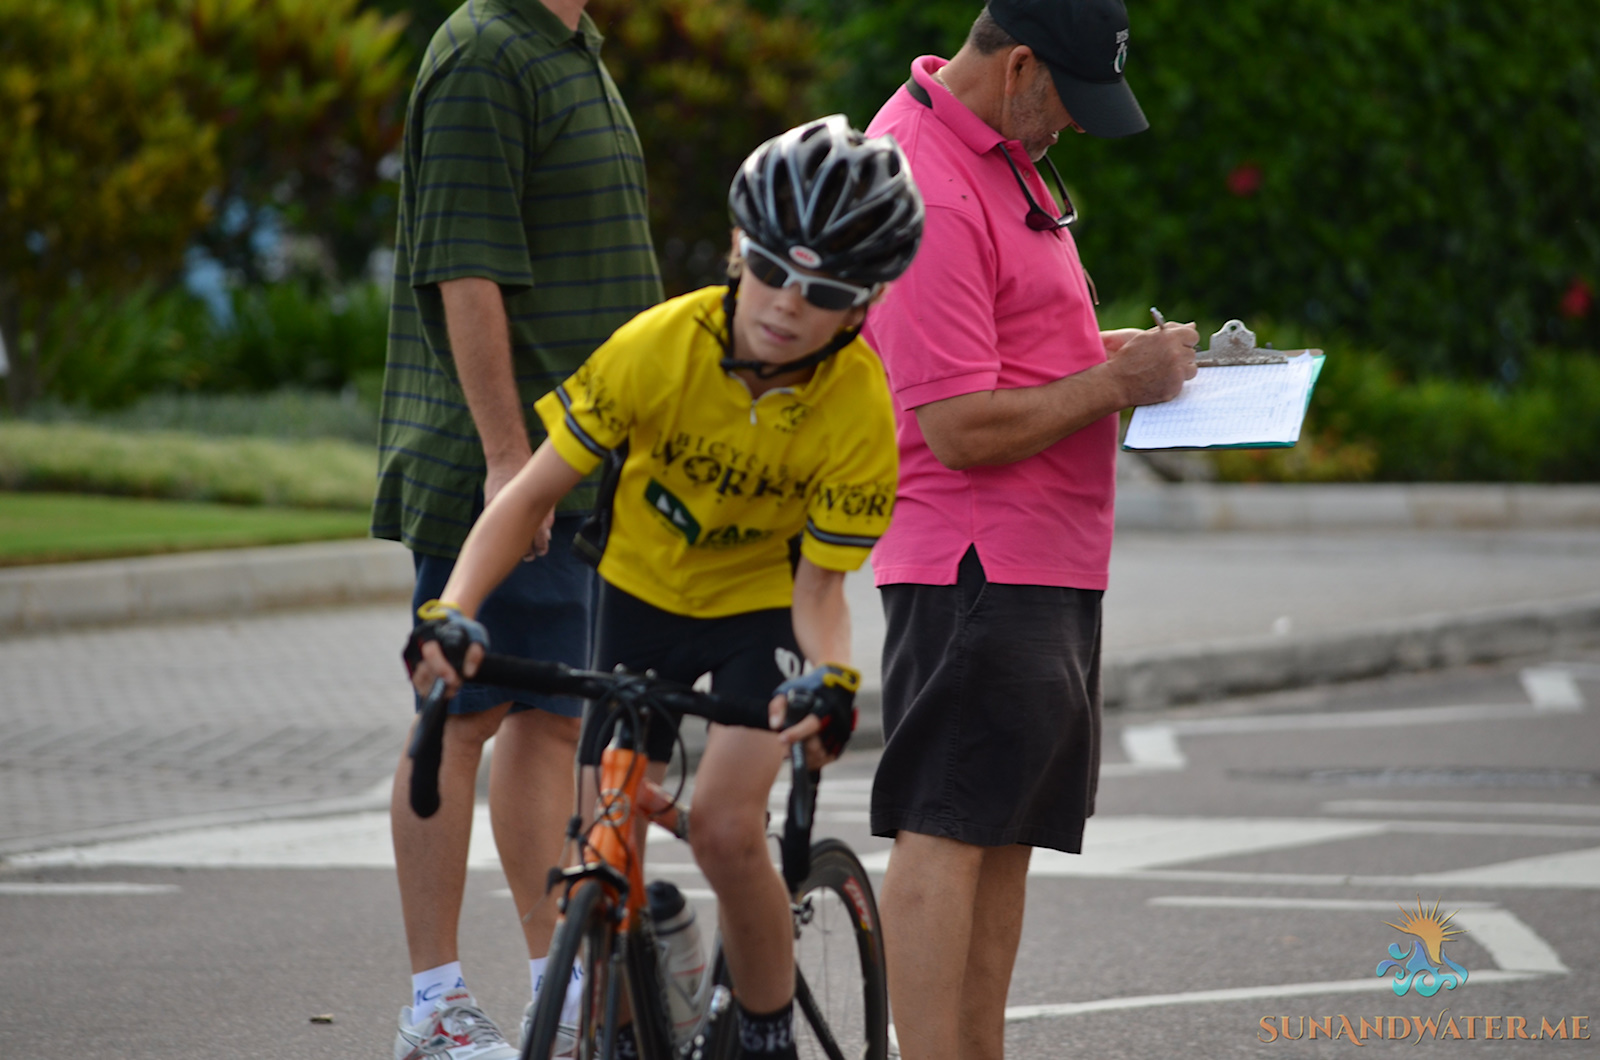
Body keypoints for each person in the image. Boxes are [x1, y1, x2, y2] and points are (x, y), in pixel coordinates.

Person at [404, 115, 924, 1059]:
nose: (786, 304)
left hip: (754, 614)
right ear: (738, 249)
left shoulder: (858, 412)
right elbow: (531, 495)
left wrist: (832, 678)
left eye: (826, 290)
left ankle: (765, 1033)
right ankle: (641, 983)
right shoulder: (657, 347)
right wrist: (452, 609)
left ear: (864, 303)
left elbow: (821, 594)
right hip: (636, 598)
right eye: (770, 268)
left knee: (726, 829)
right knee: (604, 830)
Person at [858, 2, 1199, 1058]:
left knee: (1001, 833)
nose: (1077, 128)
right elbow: (957, 425)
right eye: (1069, 101)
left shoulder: (996, 153)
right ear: (1015, 69)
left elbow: (1005, 343)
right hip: (974, 558)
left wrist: (1123, 360)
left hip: (1039, 555)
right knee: (948, 828)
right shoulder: (922, 173)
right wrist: (1111, 382)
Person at [370, 0, 663, 1056]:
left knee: (547, 718)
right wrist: (508, 463)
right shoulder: (482, 51)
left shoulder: (569, 42)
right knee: (455, 717)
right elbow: (466, 269)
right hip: (504, 463)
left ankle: (555, 982)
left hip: (574, 462)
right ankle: (435, 1005)